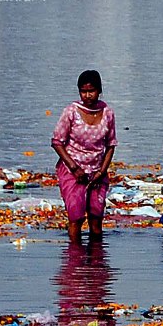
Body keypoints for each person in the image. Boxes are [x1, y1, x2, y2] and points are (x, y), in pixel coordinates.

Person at [51, 69, 117, 244]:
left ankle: (96, 263)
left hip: (97, 171)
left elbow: (111, 145)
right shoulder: (71, 112)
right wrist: (74, 168)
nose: (88, 95)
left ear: (99, 90)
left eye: (92, 91)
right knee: (76, 217)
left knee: (96, 218)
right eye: (84, 91)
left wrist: (102, 171)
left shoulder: (107, 113)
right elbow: (57, 142)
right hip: (73, 170)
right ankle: (75, 261)